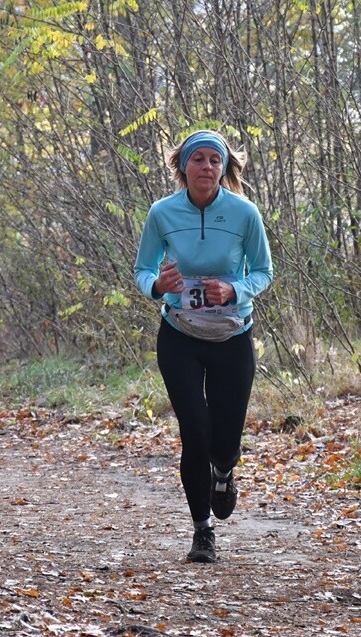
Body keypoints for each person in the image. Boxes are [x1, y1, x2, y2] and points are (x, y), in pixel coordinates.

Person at [133, 130, 274, 563]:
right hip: (179, 335)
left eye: (215, 160)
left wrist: (233, 290)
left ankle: (225, 471)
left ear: (225, 167)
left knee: (225, 439)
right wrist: (158, 285)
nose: (207, 167)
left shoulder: (244, 213)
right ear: (183, 167)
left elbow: (264, 272)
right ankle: (202, 531)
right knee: (195, 432)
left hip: (232, 336)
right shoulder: (162, 213)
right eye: (199, 160)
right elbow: (142, 270)